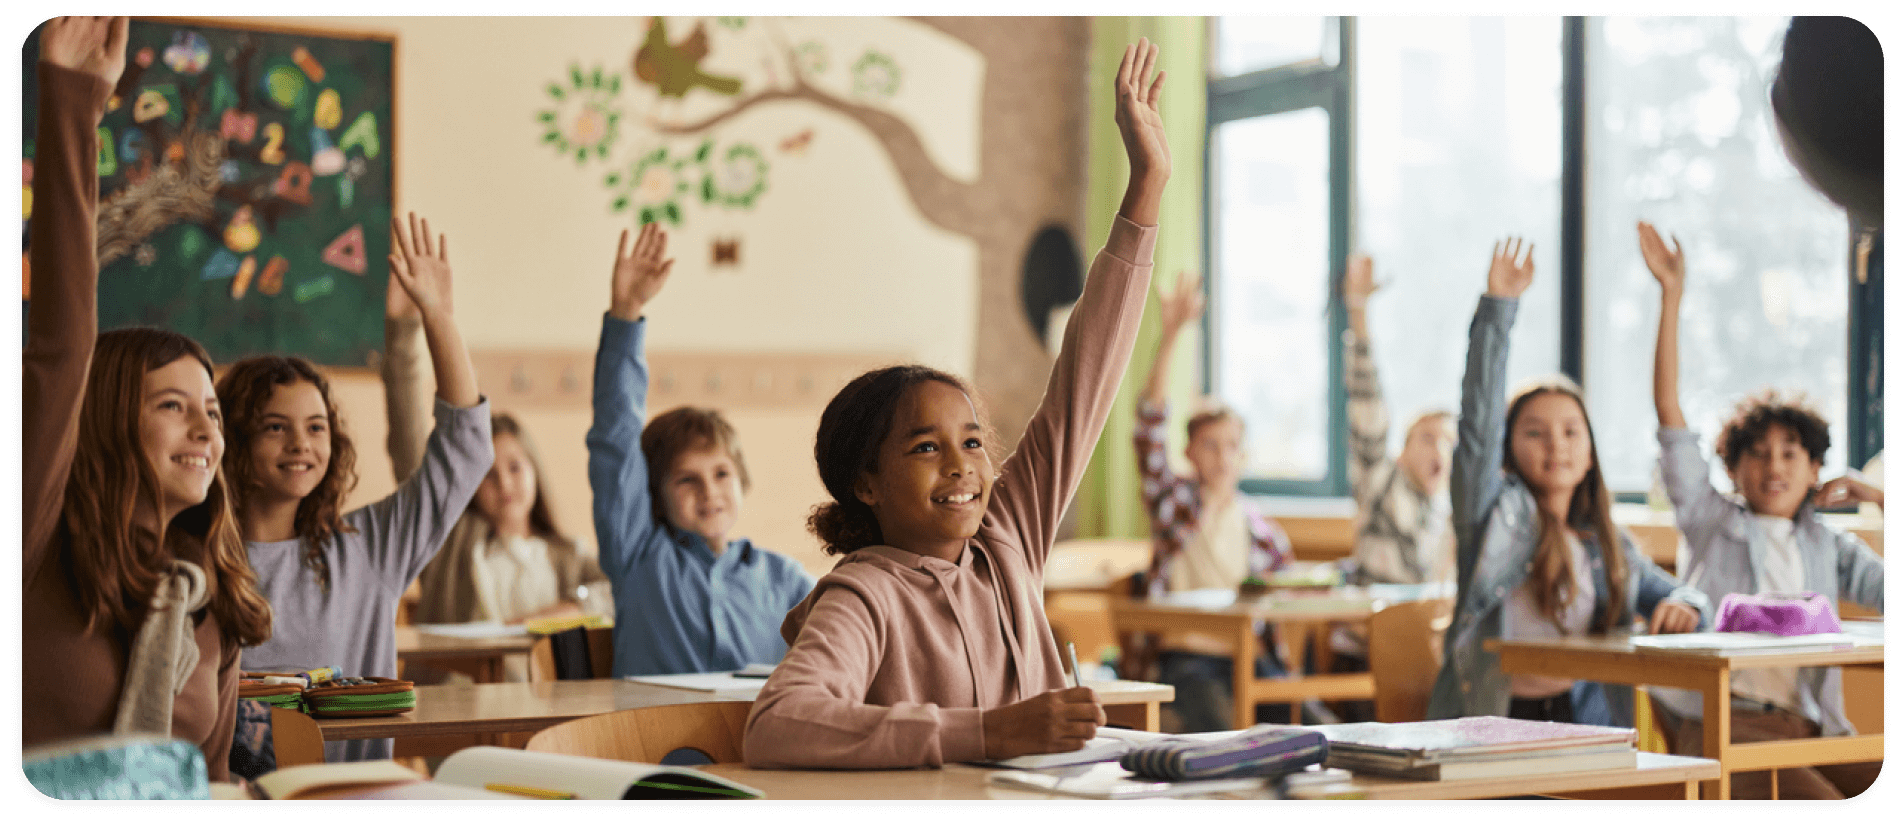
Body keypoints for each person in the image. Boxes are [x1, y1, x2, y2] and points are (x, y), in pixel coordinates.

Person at [742, 39, 1168, 769]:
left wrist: (1146, 188)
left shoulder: (1006, 538)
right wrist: (983, 734)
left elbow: (1083, 385)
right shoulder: (864, 594)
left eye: (972, 441)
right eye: (924, 446)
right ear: (866, 482)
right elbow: (778, 724)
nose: (961, 466)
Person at [21, 17, 273, 782]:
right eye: (171, 405)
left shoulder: (208, 594)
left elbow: (212, 779)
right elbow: (63, 351)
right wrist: (71, 100)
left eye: (212, 410)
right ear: (103, 422)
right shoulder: (40, 536)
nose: (205, 427)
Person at [221, 213, 493, 762]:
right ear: (233, 438)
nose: (301, 443)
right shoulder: (200, 559)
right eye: (276, 427)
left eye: (316, 427)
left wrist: (436, 316)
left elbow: (465, 450)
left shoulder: (368, 548)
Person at [1638, 220, 1883, 799]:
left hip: (1813, 723)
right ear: (1732, 468)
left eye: (1790, 454)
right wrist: (1672, 297)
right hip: (1725, 720)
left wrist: (1877, 499)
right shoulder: (1708, 518)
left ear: (1815, 469)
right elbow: (1670, 415)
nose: (1774, 466)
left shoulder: (1830, 546)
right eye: (1758, 453)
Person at [1426, 237, 1709, 727]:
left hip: (1584, 723)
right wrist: (1500, 309)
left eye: (1571, 432)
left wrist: (1685, 605)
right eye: (1534, 432)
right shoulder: (1492, 518)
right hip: (1493, 720)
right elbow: (1477, 425)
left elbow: (1687, 596)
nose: (1556, 445)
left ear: (1590, 455)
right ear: (1508, 449)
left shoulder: (1607, 545)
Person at [587, 221, 815, 677]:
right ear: (654, 494)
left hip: (756, 745)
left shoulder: (785, 580)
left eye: (721, 474)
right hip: (652, 747)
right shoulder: (637, 556)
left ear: (742, 480)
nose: (709, 491)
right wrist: (626, 314)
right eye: (686, 479)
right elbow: (615, 438)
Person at [386, 274, 612, 637]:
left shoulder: (567, 555)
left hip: (545, 693)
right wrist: (404, 332)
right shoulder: (450, 542)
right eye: (488, 474)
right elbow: (408, 444)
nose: (503, 482)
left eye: (515, 468)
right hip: (461, 690)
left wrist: (569, 606)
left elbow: (617, 590)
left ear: (535, 471)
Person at [1129, 269, 1297, 732]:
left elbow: (1287, 593)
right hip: (1190, 658)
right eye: (1209, 445)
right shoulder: (1174, 504)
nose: (1222, 457)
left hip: (1250, 657)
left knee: (1308, 728)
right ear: (1189, 453)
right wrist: (1171, 336)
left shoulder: (1260, 528)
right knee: (1226, 732)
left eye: (1230, 446)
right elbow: (1148, 430)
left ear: (1243, 454)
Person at [1341, 254, 1457, 589]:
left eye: (1447, 442)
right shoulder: (1381, 482)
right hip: (1370, 633)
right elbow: (1368, 410)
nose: (1439, 449)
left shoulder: (1445, 513)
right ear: (1402, 451)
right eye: (1427, 438)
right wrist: (1358, 311)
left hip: (1420, 635)